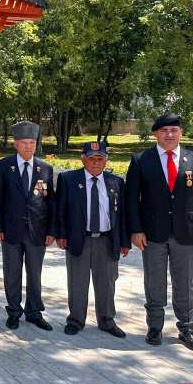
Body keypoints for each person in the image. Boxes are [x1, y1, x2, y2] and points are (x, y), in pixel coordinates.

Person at [126, 114, 193, 352]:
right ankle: (154, 327)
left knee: (184, 283)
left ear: (181, 133)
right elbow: (131, 199)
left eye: (174, 130)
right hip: (152, 233)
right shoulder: (141, 160)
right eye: (164, 130)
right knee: (154, 282)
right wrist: (135, 230)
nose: (169, 134)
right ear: (155, 133)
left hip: (187, 233)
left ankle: (187, 328)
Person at [56, 141, 130, 337]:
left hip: (107, 241)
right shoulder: (68, 179)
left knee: (107, 281)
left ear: (106, 161)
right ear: (83, 159)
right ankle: (75, 320)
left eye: (100, 158)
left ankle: (106, 320)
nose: (96, 162)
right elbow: (60, 210)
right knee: (77, 282)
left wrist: (124, 241)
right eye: (91, 158)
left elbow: (122, 215)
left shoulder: (116, 183)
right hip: (79, 239)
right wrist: (61, 235)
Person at [0, 120, 56, 332]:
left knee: (35, 273)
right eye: (23, 142)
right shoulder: (3, 166)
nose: (28, 146)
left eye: (32, 142)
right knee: (12, 273)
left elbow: (50, 201)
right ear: (15, 144)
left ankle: (34, 312)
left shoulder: (45, 168)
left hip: (37, 231)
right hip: (10, 229)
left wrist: (51, 231)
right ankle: (13, 312)